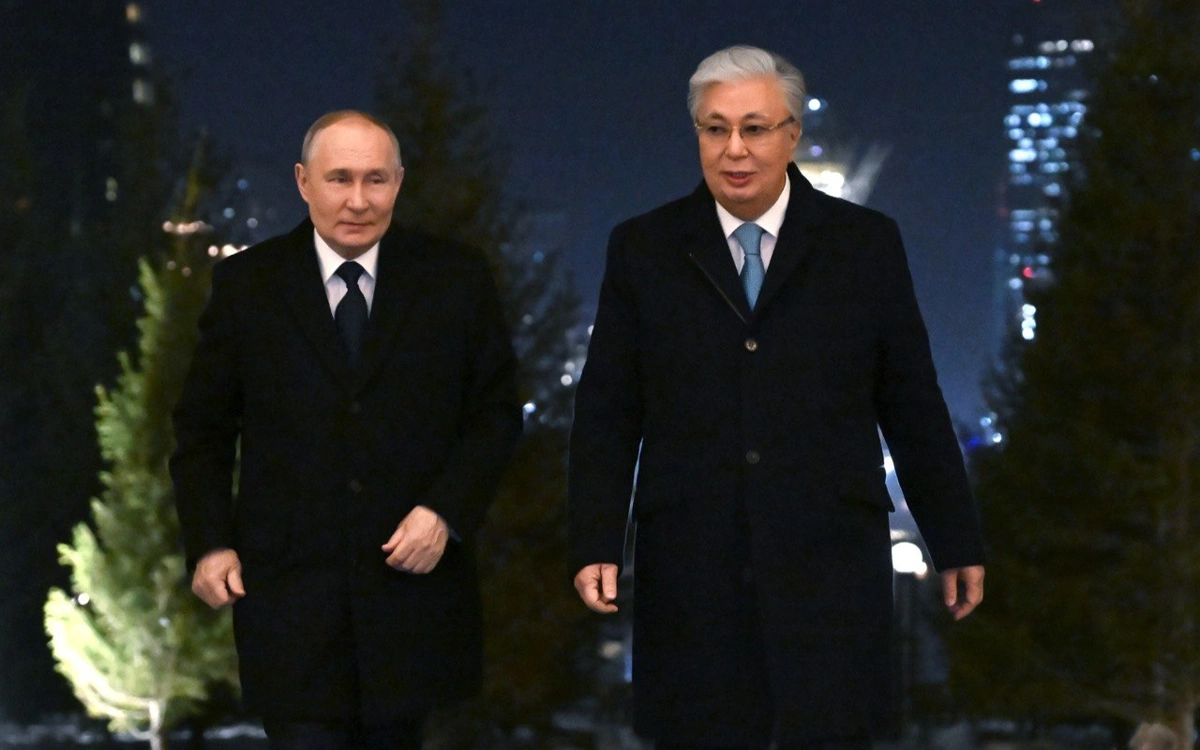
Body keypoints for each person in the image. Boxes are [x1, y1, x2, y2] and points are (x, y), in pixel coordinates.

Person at [568, 46, 985, 749]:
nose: (734, 149)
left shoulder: (865, 246)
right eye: (716, 128)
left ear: (792, 135)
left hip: (830, 569)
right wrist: (593, 540)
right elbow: (607, 411)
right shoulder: (643, 248)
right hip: (692, 567)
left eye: (755, 128)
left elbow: (912, 404)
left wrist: (955, 539)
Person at [170, 110, 522, 750]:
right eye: (339, 179)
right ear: (303, 182)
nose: (358, 200)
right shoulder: (249, 285)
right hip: (289, 610)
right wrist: (210, 542)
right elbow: (202, 432)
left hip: (412, 608)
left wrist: (445, 511)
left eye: (375, 179)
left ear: (398, 182)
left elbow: (495, 415)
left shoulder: (455, 279)